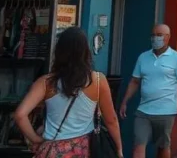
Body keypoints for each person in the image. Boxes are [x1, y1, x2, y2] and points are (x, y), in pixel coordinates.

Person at [13, 27, 123, 158]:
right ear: (85, 51)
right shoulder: (98, 81)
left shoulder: (45, 82)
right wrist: (119, 149)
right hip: (83, 150)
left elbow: (20, 115)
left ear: (59, 52)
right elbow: (111, 120)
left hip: (53, 150)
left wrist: (36, 139)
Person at [119, 24, 177, 158]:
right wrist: (124, 101)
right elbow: (135, 81)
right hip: (143, 111)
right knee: (138, 144)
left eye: (159, 35)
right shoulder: (143, 57)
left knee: (163, 147)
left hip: (166, 112)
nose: (154, 38)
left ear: (168, 38)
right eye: (153, 35)